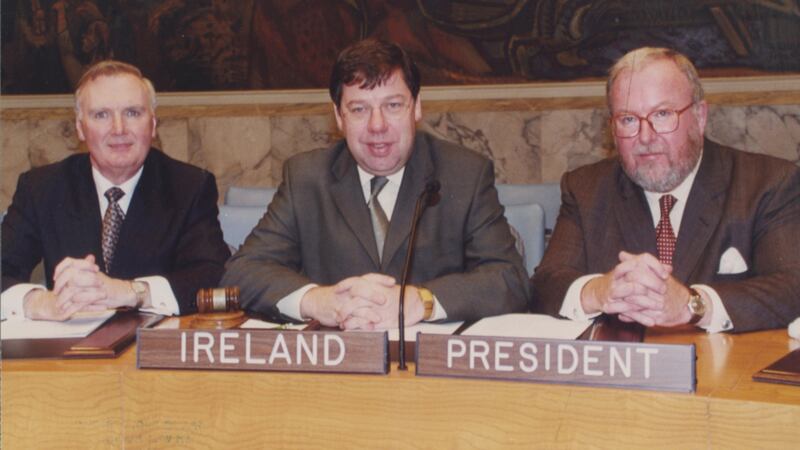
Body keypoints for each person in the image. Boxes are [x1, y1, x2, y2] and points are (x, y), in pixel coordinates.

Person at [222, 38, 529, 330]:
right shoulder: (306, 177)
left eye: (393, 105)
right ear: (339, 117)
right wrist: (318, 300)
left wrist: (420, 301)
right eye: (359, 109)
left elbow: (509, 278)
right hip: (335, 368)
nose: (377, 125)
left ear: (417, 107)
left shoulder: (464, 174)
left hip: (431, 370)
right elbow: (241, 272)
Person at [532, 47, 800, 333]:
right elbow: (545, 285)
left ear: (699, 116)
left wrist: (693, 304)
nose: (645, 137)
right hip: (622, 370)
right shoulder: (586, 188)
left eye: (662, 114)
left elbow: (792, 286)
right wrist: (597, 292)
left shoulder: (767, 183)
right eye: (628, 119)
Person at [1, 60, 230, 321]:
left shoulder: (189, 186)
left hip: (151, 349)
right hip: (68, 353)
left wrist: (132, 292)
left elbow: (213, 274)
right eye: (101, 115)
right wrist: (39, 302)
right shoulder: (42, 188)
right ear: (80, 127)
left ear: (153, 124)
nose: (119, 129)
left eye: (132, 113)